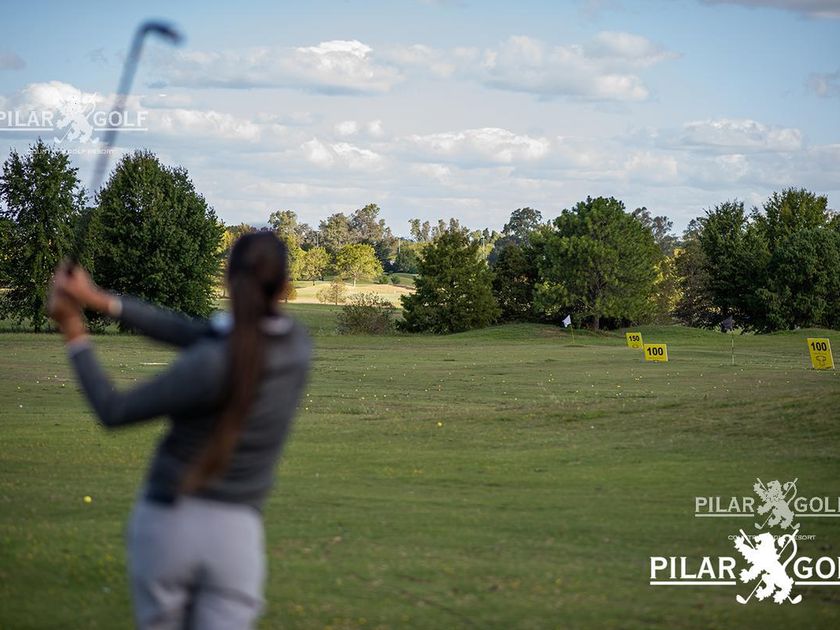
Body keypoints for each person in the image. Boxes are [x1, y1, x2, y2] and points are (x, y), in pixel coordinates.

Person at [48, 232, 312, 629]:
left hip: (168, 524)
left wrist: (73, 328)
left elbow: (114, 410)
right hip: (236, 539)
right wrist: (99, 299)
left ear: (228, 279)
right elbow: (184, 330)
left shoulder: (211, 362)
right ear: (285, 284)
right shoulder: (297, 346)